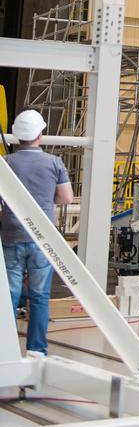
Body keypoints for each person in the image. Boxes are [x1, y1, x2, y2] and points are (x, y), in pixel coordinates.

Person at [1, 109, 73, 354]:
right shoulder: (54, 162)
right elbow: (66, 198)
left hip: (11, 235)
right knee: (39, 295)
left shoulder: (6, 164)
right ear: (40, 134)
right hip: (43, 238)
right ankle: (37, 350)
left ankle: (5, 348)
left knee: (9, 294)